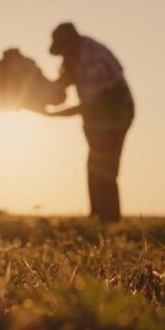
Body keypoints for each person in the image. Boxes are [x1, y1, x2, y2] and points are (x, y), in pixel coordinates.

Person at [45, 22, 134, 222]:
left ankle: (108, 219)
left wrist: (54, 114)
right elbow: (62, 83)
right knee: (94, 164)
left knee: (105, 166)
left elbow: (91, 105)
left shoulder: (92, 58)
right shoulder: (73, 57)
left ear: (70, 44)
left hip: (114, 114)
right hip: (97, 116)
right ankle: (97, 216)